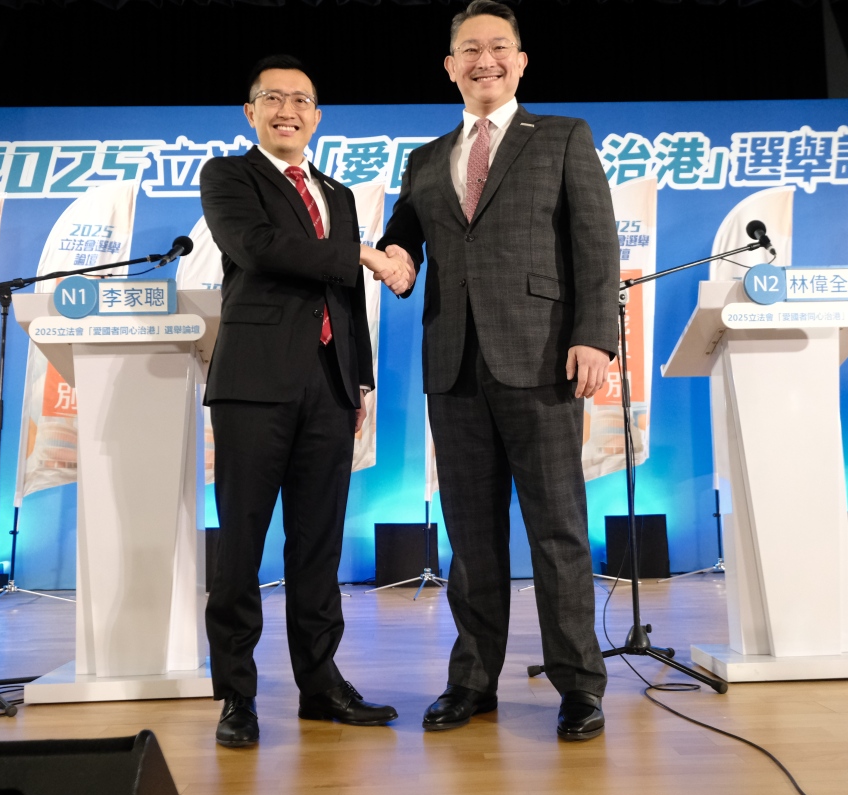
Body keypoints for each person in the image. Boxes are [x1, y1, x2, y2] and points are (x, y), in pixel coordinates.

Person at [379, 1, 618, 741]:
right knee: (471, 538)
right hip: (454, 366)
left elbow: (596, 242)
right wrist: (395, 258)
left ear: (521, 61)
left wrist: (594, 337)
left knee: (558, 531)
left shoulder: (564, 137)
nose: (485, 60)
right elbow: (404, 236)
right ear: (450, 66)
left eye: (499, 47)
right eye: (470, 49)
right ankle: (472, 682)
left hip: (542, 358)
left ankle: (578, 686)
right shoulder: (425, 160)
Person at [199, 54, 411, 748]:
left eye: (301, 100)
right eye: (273, 98)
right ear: (250, 111)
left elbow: (347, 301)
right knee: (240, 545)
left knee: (318, 545)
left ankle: (320, 685)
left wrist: (358, 379)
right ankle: (237, 695)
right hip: (254, 385)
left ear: (317, 117)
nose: (287, 110)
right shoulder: (229, 176)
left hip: (329, 387)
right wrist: (362, 254)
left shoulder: (338, 194)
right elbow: (259, 248)